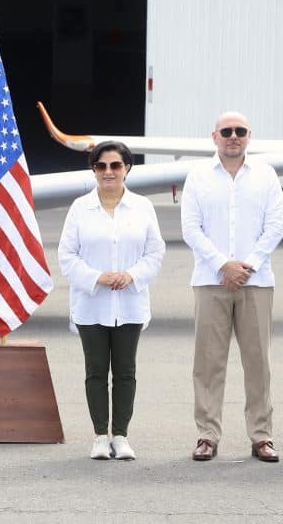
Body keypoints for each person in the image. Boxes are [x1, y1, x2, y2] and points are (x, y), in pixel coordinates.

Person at [181, 111, 283, 463]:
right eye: (226, 131)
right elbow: (191, 229)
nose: (233, 136)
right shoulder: (197, 176)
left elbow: (275, 227)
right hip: (211, 281)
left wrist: (246, 266)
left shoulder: (266, 175)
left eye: (240, 131)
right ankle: (207, 435)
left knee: (258, 363)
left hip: (256, 282)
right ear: (214, 137)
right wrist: (223, 264)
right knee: (208, 363)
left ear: (249, 135)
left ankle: (262, 436)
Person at [57, 141, 165, 461]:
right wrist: (97, 277)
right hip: (91, 305)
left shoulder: (143, 207)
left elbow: (155, 252)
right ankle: (99, 437)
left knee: (125, 371)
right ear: (94, 170)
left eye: (115, 165)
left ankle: (121, 435)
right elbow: (66, 256)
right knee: (95, 371)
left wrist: (131, 275)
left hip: (129, 304)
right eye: (101, 166)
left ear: (127, 168)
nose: (108, 172)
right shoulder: (80, 208)